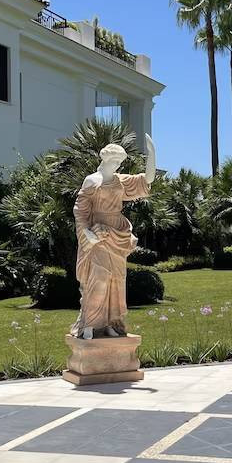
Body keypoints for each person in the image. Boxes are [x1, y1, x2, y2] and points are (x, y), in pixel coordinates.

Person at [71, 135, 157, 339]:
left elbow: (147, 180)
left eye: (120, 162)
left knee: (116, 281)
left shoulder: (120, 180)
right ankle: (90, 325)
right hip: (99, 233)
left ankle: (111, 323)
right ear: (106, 159)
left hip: (117, 233)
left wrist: (152, 155)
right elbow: (80, 211)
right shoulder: (92, 180)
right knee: (99, 279)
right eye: (115, 161)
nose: (118, 165)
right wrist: (86, 233)